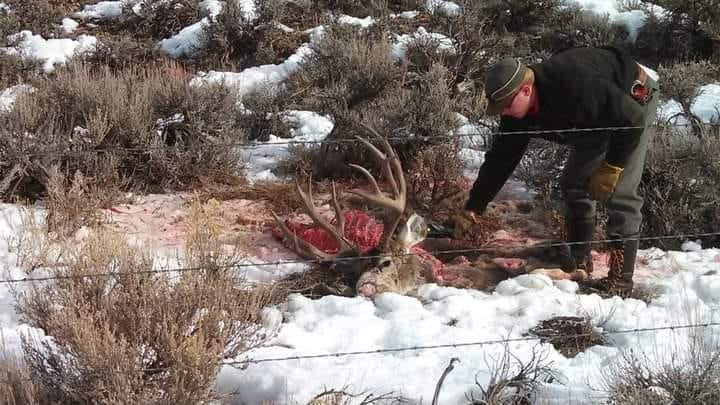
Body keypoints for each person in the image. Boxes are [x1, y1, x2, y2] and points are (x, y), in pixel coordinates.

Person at [452, 46, 659, 296]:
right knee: (574, 183)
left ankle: (620, 281)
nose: (502, 112)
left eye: (505, 105)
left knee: (620, 193)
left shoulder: (574, 84)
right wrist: (474, 207)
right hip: (593, 119)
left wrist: (612, 166)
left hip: (633, 106)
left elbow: (632, 119)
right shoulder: (516, 113)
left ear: (526, 90)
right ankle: (579, 260)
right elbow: (500, 159)